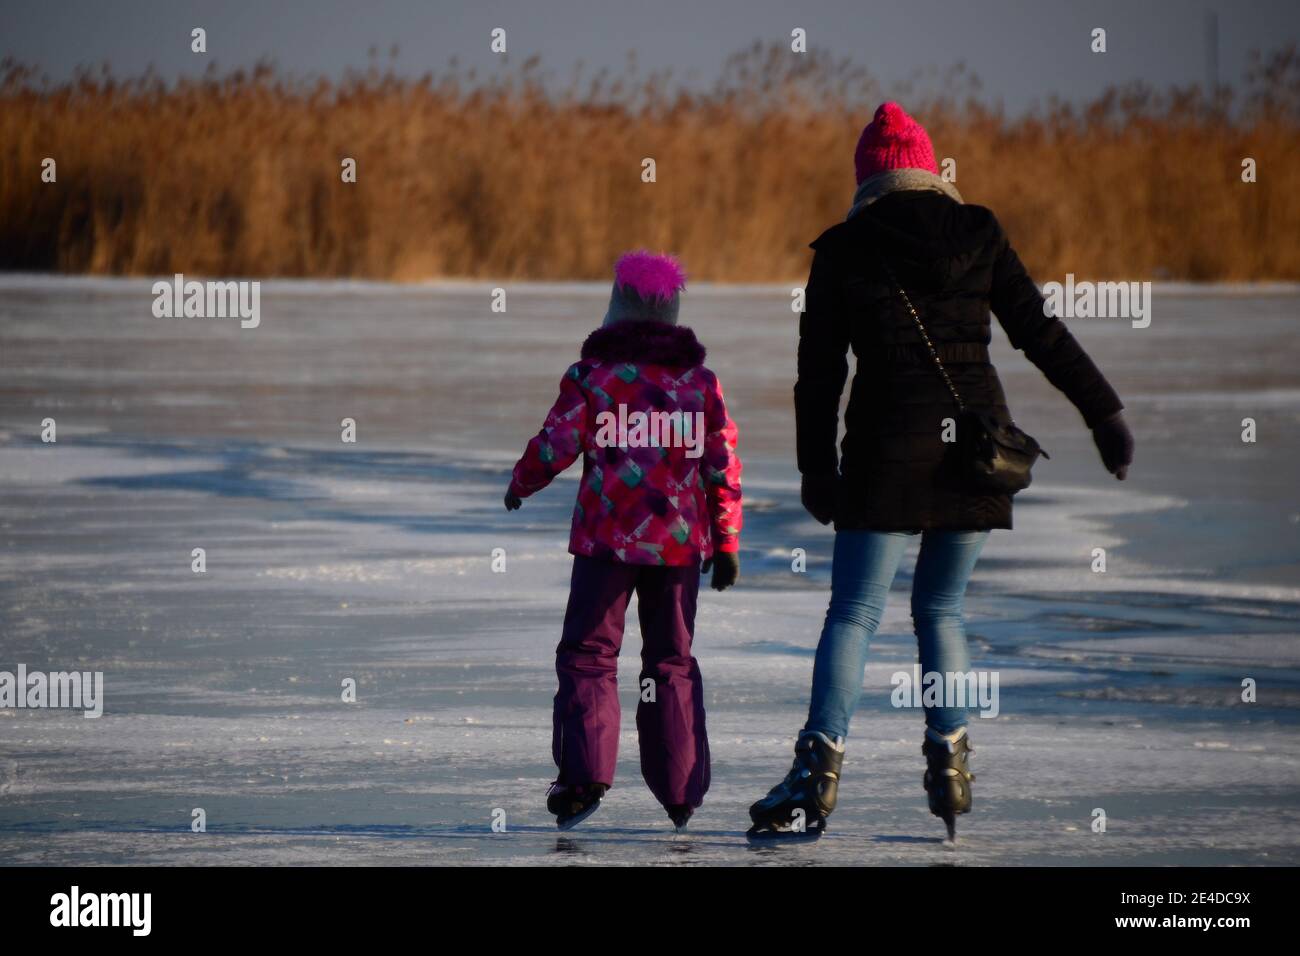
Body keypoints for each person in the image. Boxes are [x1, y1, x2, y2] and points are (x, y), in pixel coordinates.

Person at [748, 102, 1134, 840]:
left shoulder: (843, 248)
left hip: (885, 454)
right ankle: (950, 762)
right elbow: (1039, 332)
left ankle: (816, 773)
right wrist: (1103, 413)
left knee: (855, 614)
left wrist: (815, 471)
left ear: (867, 176)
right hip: (974, 457)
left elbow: (818, 374)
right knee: (943, 611)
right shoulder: (980, 231)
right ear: (931, 168)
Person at [505, 250, 743, 831]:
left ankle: (584, 777)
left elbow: (556, 443)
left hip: (606, 546)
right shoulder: (699, 384)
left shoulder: (593, 377)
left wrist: (521, 482)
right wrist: (728, 541)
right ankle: (682, 789)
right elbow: (722, 464)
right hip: (680, 546)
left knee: (590, 654)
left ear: (615, 310)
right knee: (672, 661)